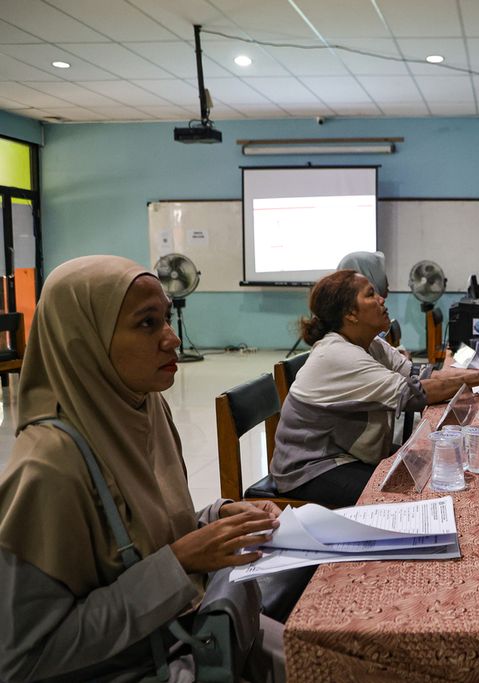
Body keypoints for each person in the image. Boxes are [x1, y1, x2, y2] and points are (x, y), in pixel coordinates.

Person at [0, 255, 283, 682]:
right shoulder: (49, 466)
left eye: (166, 318)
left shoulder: (146, 406)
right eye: (146, 323)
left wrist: (218, 517)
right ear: (84, 339)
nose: (172, 339)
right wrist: (181, 562)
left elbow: (138, 532)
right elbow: (25, 657)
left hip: (189, 631)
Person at [272, 269, 479, 508]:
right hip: (312, 467)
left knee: (431, 466)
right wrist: (477, 378)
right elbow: (415, 394)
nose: (381, 299)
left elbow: (424, 376)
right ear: (350, 314)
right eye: (370, 294)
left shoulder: (371, 344)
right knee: (408, 498)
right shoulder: (338, 354)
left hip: (348, 454)